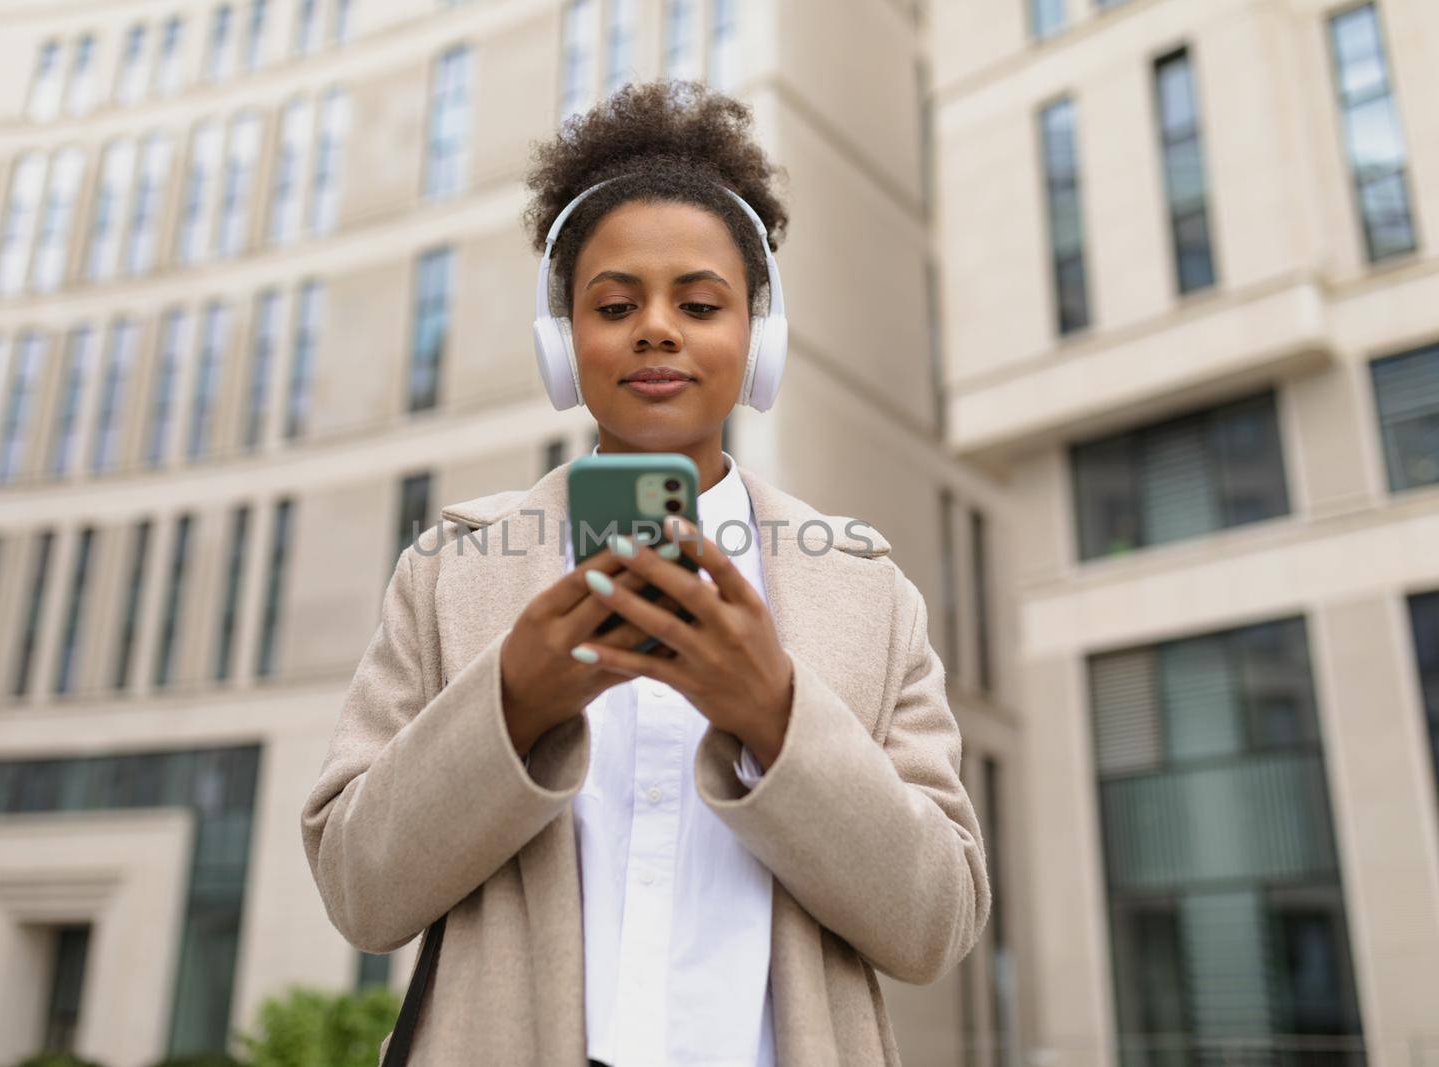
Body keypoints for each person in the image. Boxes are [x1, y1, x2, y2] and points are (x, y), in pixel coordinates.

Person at [300, 79, 991, 1067]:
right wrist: (510, 702)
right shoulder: (450, 570)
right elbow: (360, 893)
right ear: (561, 342)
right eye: (614, 302)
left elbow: (935, 924)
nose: (656, 328)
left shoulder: (866, 591)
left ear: (759, 338)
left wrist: (776, 714)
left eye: (700, 303)